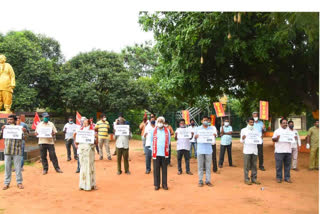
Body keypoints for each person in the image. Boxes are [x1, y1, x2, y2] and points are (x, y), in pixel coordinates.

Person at [1, 114, 26, 190]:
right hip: (7, 150)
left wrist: (23, 132)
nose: (9, 121)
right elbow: (1, 136)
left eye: (11, 119)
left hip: (17, 150)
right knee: (7, 167)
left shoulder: (19, 128)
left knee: (18, 167)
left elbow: (24, 137)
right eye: (8, 119)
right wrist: (2, 130)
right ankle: (6, 183)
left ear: (15, 120)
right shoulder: (5, 128)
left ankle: (19, 182)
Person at [74, 119, 97, 191]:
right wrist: (76, 142)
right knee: (82, 167)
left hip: (89, 150)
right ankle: (82, 185)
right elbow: (76, 140)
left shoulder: (92, 131)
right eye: (83, 123)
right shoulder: (80, 131)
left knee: (89, 167)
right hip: (82, 150)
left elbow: (95, 141)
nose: (85, 124)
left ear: (89, 124)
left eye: (86, 123)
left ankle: (90, 185)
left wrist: (95, 138)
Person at [150, 117, 171, 190]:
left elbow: (169, 141)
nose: (160, 122)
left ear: (164, 122)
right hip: (156, 153)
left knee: (164, 169)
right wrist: (152, 150)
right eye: (159, 121)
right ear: (157, 122)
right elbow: (151, 141)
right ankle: (157, 184)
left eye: (161, 121)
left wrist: (167, 149)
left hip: (164, 153)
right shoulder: (153, 130)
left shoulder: (167, 130)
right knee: (156, 169)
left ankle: (164, 184)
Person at [195, 116, 216, 187]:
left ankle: (208, 180)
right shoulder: (198, 129)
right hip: (200, 150)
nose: (206, 121)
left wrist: (214, 136)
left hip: (208, 150)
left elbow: (213, 140)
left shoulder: (211, 129)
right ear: (201, 121)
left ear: (209, 121)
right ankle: (200, 181)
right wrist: (196, 137)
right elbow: (194, 138)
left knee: (208, 166)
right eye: (204, 120)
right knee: (200, 166)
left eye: (207, 120)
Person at [240, 118, 261, 185]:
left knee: (254, 165)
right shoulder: (244, 130)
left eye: (253, 122)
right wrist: (243, 138)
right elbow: (241, 141)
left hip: (254, 150)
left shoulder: (256, 130)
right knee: (246, 165)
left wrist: (260, 139)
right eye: (250, 122)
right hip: (247, 150)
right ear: (247, 122)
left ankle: (254, 179)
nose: (252, 124)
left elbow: (259, 139)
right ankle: (246, 179)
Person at [272, 118, 292, 183]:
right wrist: (277, 138)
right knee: (279, 166)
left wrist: (294, 138)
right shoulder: (277, 131)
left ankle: (287, 178)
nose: (285, 124)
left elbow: (293, 139)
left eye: (286, 123)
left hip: (288, 151)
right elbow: (273, 140)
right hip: (279, 151)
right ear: (280, 124)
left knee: (287, 165)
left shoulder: (290, 131)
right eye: (283, 123)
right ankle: (279, 177)